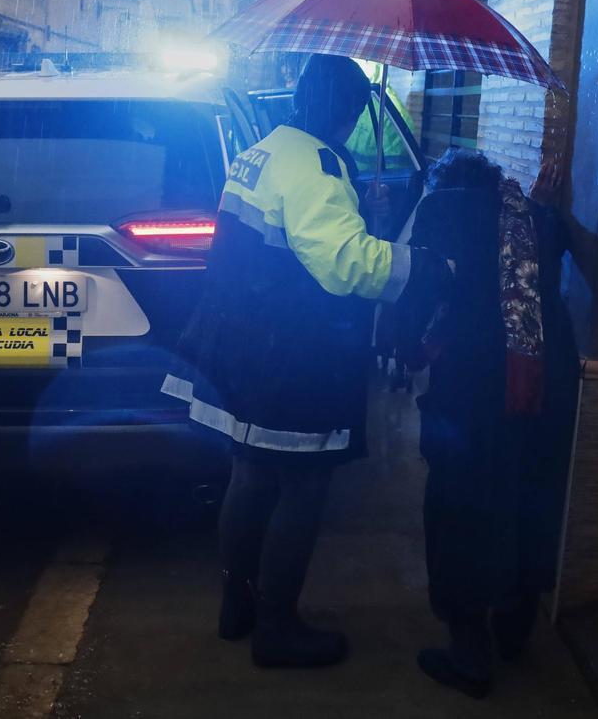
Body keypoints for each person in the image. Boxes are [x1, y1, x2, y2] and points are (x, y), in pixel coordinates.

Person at [164, 53, 447, 669]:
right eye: (351, 114)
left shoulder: (264, 150)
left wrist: (350, 198)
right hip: (289, 355)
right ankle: (277, 628)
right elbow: (348, 265)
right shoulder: (316, 168)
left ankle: (236, 605)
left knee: (250, 474)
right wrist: (428, 266)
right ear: (342, 111)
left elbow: (295, 233)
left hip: (237, 345)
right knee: (302, 484)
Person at [396, 147, 547, 698]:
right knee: (516, 500)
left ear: (444, 183)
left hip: (467, 384)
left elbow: (418, 289)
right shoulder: (528, 214)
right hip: (531, 388)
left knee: (456, 508)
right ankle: (512, 630)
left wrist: (403, 344)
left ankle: (469, 651)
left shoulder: (440, 211)